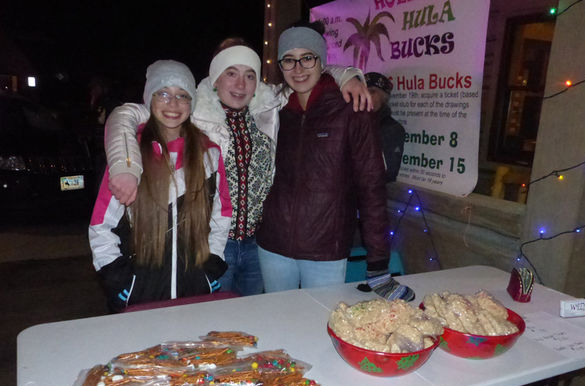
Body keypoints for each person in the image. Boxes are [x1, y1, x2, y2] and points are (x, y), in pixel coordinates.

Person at [103, 39, 370, 296]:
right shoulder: (191, 111)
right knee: (215, 323)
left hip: (260, 245)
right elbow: (126, 114)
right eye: (231, 73)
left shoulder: (269, 107)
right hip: (212, 244)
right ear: (216, 79)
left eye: (250, 75)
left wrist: (349, 75)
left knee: (252, 319)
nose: (241, 84)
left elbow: (305, 74)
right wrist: (124, 165)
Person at [255, 22, 415, 302]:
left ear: (322, 62)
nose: (298, 68)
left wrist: (378, 264)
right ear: (280, 66)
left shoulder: (352, 110)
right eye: (289, 60)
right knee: (277, 322)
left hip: (325, 250)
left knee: (321, 326)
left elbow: (371, 187)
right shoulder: (274, 111)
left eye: (307, 57)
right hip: (273, 246)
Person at [89, 60, 230, 312]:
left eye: (182, 95)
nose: (173, 104)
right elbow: (101, 224)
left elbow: (222, 214)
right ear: (149, 99)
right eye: (163, 93)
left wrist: (212, 266)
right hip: (141, 293)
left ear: (191, 103)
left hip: (194, 289)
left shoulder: (209, 153)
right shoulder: (129, 159)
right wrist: (118, 277)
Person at [365, 72, 405, 182]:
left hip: (370, 194)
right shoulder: (353, 122)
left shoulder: (392, 129)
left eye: (372, 91)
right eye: (364, 91)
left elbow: (389, 173)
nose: (367, 95)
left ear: (383, 97)